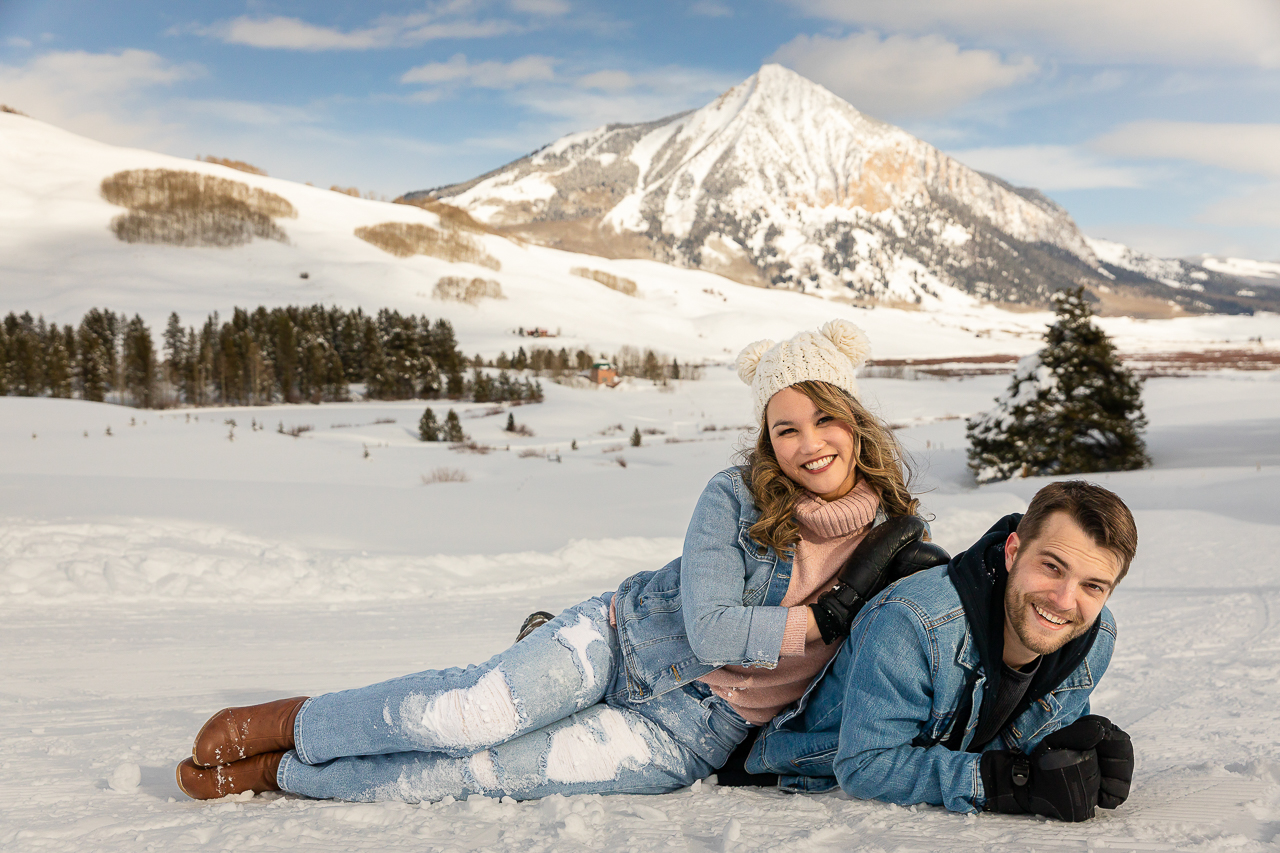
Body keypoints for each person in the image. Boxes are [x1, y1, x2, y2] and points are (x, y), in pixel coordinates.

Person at [176, 319, 927, 802]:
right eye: (786, 427)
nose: (809, 442)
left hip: (688, 734)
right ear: (768, 440)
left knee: (478, 775)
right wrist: (814, 620)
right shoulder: (733, 495)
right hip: (621, 639)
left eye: (825, 417)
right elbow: (711, 630)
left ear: (855, 423)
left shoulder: (896, 548)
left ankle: (284, 772)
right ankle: (293, 722)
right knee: (471, 712)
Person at [742, 480, 1137, 821]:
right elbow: (865, 765)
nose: (1064, 601)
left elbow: (1026, 747)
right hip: (795, 769)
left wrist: (1077, 753)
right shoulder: (913, 622)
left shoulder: (1095, 637)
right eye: (1052, 567)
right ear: (1013, 551)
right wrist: (1006, 781)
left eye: (1093, 586)